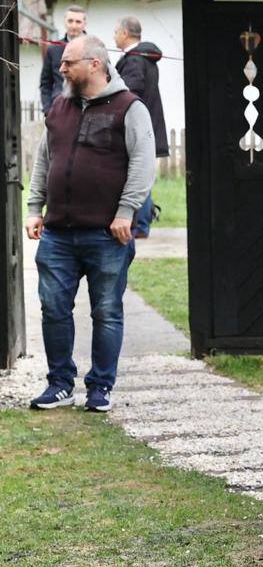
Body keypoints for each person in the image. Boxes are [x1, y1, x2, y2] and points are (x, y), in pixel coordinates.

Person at [24, 35, 156, 412]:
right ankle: (60, 384)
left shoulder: (129, 107)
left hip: (106, 234)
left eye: (69, 62)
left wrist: (126, 212)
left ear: (95, 64)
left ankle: (100, 387)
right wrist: (34, 207)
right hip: (57, 234)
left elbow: (143, 164)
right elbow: (44, 160)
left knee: (106, 311)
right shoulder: (60, 106)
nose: (61, 68)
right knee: (53, 308)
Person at [112, 16, 170, 239]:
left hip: (138, 128)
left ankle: (140, 225)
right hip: (148, 126)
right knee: (141, 174)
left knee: (138, 176)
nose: (114, 36)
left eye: (116, 32)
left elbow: (129, 91)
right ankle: (141, 223)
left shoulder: (135, 60)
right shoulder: (144, 57)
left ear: (125, 33)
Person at [38, 4, 86, 107]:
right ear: (65, 22)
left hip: (86, 107)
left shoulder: (95, 48)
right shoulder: (53, 49)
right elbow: (45, 83)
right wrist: (48, 110)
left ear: (84, 24)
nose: (74, 26)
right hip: (59, 107)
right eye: (70, 21)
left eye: (78, 22)